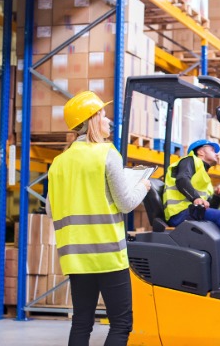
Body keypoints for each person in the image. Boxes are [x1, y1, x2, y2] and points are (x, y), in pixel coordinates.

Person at [47, 91, 151, 346]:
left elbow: (51, 210)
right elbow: (126, 203)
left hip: (75, 257)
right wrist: (144, 187)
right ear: (92, 120)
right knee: (121, 324)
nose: (107, 121)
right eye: (103, 115)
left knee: (81, 322)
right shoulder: (106, 154)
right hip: (107, 255)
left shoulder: (58, 163)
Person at [162, 139, 220, 285]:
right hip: (179, 214)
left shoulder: (203, 174)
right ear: (200, 151)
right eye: (213, 150)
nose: (217, 154)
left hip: (192, 211)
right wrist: (196, 198)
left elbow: (209, 207)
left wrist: (218, 196)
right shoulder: (189, 161)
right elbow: (181, 180)